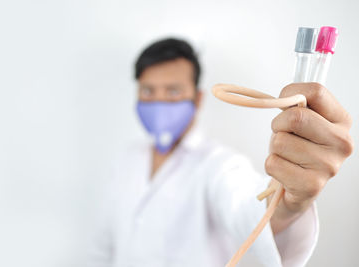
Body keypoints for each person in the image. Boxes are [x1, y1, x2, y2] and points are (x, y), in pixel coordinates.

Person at [89, 38, 353, 267]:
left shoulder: (220, 165)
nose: (159, 102)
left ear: (198, 98)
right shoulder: (126, 160)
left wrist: (291, 199)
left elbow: (247, 209)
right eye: (148, 91)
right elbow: (104, 246)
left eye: (173, 91)